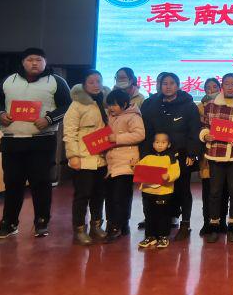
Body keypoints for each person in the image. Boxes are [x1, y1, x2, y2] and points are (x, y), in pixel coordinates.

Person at [0, 47, 71, 239]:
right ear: (23, 62)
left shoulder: (56, 81)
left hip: (42, 141)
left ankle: (41, 222)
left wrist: (49, 119)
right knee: (12, 183)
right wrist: (0, 114)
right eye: (30, 59)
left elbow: (67, 105)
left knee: (41, 183)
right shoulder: (9, 80)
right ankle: (9, 223)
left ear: (45, 62)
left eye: (39, 60)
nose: (34, 63)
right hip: (12, 141)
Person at [139, 72, 202, 241]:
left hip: (180, 156)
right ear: (159, 85)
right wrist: (144, 155)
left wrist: (192, 153)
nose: (168, 86)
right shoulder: (150, 104)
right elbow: (146, 132)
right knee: (157, 191)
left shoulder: (189, 105)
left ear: (178, 85)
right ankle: (160, 225)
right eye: (164, 83)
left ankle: (185, 224)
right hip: (156, 157)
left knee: (183, 191)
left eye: (172, 83)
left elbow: (194, 130)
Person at [200, 73, 233, 244]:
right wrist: (206, 135)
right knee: (214, 192)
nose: (230, 87)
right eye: (227, 84)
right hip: (216, 154)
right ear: (222, 86)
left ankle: (232, 226)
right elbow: (204, 125)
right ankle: (214, 225)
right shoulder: (211, 105)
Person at [63, 71, 110, 246]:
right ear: (84, 85)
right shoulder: (76, 105)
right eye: (91, 82)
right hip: (83, 158)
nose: (96, 85)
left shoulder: (105, 103)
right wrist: (73, 156)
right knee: (82, 195)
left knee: (99, 194)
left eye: (99, 81)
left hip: (102, 157)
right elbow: (69, 133)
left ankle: (96, 226)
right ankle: (79, 229)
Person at [103, 88, 146, 241]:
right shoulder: (110, 116)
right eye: (109, 105)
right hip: (111, 163)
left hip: (126, 163)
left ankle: (117, 226)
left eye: (114, 105)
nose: (111, 108)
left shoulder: (134, 116)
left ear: (125, 104)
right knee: (110, 196)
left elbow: (140, 135)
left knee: (120, 197)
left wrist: (116, 138)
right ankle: (117, 224)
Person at [137, 132, 181, 249]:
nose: (160, 145)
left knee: (163, 215)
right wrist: (133, 166)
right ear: (153, 144)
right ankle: (150, 236)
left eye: (163, 142)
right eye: (157, 142)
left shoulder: (171, 158)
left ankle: (163, 236)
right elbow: (139, 168)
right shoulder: (148, 157)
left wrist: (169, 176)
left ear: (169, 144)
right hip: (147, 192)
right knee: (148, 214)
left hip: (163, 192)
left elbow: (176, 172)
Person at [197, 76, 226, 236]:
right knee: (208, 190)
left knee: (224, 190)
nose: (211, 90)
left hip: (224, 153)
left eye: (214, 87)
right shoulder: (199, 108)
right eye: (208, 87)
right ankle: (206, 222)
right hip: (207, 155)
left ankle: (222, 221)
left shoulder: (227, 105)